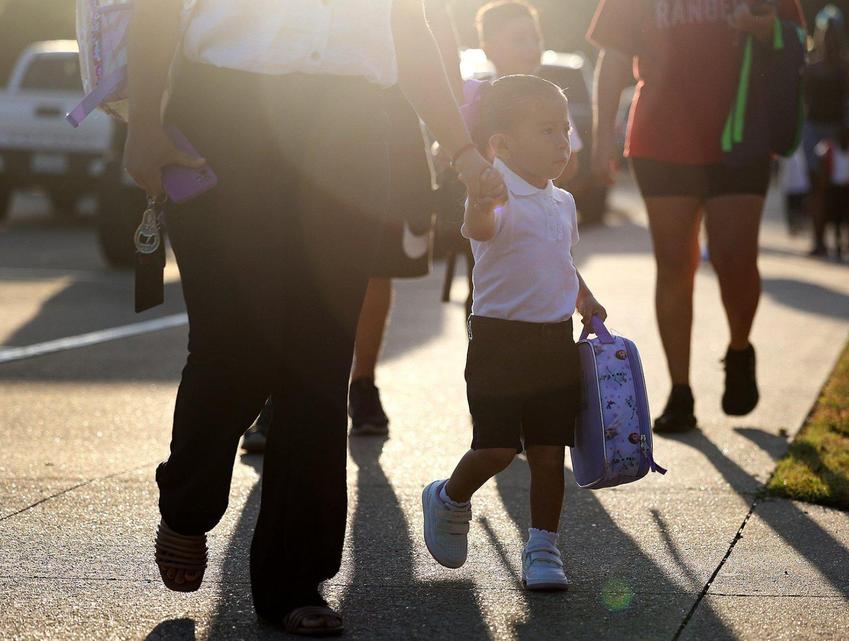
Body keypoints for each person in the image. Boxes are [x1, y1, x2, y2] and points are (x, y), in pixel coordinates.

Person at [127, 0, 505, 635]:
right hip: (226, 114)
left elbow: (406, 27)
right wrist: (142, 124)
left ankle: (295, 579)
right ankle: (188, 502)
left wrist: (462, 149)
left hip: (351, 125)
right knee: (234, 345)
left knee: (318, 356)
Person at [242, 1, 466, 453]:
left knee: (375, 263)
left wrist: (456, 138)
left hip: (390, 123)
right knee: (288, 262)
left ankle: (362, 383)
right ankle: (277, 394)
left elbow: (436, 43)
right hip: (299, 115)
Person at [420, 75, 606, 592]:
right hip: (500, 342)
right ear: (501, 144)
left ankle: (544, 546)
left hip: (554, 343)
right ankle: (449, 497)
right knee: (498, 449)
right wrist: (479, 194)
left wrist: (583, 297)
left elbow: (559, 260)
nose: (561, 143)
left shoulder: (562, 202)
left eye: (564, 130)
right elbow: (480, 229)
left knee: (550, 453)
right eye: (546, 130)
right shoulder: (495, 192)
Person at [590, 0, 805, 433]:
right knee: (673, 263)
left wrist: (762, 30)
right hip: (661, 136)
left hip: (741, 135)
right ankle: (680, 390)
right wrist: (600, 137)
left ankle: (740, 349)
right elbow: (612, 55)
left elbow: (794, 38)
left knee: (735, 257)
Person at [476, 0, 582, 183]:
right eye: (519, 40)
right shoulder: (479, 100)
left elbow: (570, 162)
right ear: (489, 49)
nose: (532, 48)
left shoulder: (549, 99)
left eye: (537, 40)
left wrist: (536, 188)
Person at [803, 5, 849, 257]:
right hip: (814, 130)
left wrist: (848, 131)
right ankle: (818, 239)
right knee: (818, 188)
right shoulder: (811, 67)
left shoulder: (845, 69)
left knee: (843, 188)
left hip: (838, 132)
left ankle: (844, 238)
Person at [816, 125, 849, 260]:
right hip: (835, 188)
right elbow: (822, 165)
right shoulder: (828, 149)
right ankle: (838, 246)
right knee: (837, 220)